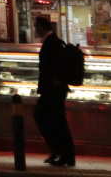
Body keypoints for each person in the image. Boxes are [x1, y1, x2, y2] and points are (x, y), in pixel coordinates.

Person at [34, 16, 75, 168]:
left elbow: (52, 67)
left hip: (53, 90)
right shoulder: (52, 42)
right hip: (52, 89)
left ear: (42, 27)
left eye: (36, 26)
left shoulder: (53, 43)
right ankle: (59, 152)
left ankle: (65, 155)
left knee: (54, 121)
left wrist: (54, 82)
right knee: (51, 120)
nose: (34, 29)